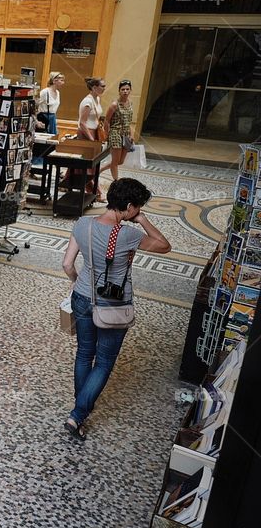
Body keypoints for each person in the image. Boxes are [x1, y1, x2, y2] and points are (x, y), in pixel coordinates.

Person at [60, 178, 171, 440]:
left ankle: (81, 405)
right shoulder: (130, 235)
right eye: (138, 208)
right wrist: (142, 221)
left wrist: (81, 285)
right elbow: (165, 246)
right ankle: (77, 414)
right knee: (105, 361)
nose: (138, 212)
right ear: (130, 207)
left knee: (84, 353)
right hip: (114, 306)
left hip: (82, 297)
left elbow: (66, 264)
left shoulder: (83, 224)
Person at [77, 77, 107, 202]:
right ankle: (97, 190)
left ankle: (93, 189)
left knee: (92, 164)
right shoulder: (87, 102)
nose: (104, 88)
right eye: (102, 86)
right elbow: (82, 123)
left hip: (94, 133)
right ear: (94, 87)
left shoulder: (97, 99)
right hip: (86, 134)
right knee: (88, 165)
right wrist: (90, 139)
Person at [103, 80, 134, 181]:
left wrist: (131, 134)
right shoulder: (114, 105)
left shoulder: (130, 103)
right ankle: (116, 182)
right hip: (115, 133)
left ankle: (98, 171)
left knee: (120, 161)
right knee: (115, 161)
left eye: (127, 89)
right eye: (123, 89)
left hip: (126, 135)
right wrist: (107, 135)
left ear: (130, 90)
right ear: (119, 91)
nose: (125, 91)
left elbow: (129, 121)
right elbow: (106, 121)